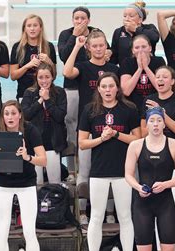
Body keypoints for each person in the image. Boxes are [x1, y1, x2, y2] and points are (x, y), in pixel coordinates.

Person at [78, 72, 140, 251]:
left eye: (111, 86)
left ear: (117, 88)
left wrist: (115, 134)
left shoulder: (128, 109)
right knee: (96, 216)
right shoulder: (89, 110)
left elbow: (137, 139)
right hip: (98, 172)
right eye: (103, 86)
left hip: (124, 172)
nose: (107, 90)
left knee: (125, 216)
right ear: (98, 89)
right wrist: (101, 138)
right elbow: (82, 143)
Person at [63, 30, 119, 225]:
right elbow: (66, 72)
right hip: (88, 126)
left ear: (106, 47)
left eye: (101, 45)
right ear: (88, 48)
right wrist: (77, 46)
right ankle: (82, 213)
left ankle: (110, 212)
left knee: (112, 171)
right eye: (94, 45)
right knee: (84, 172)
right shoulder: (83, 67)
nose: (98, 49)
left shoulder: (113, 68)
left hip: (111, 126)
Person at [0, 100, 46, 251]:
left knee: (29, 231)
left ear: (20, 115)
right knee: (2, 230)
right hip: (3, 184)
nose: (10, 117)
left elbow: (43, 160)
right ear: (2, 116)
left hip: (26, 184)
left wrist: (28, 157)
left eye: (13, 113)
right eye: (6, 113)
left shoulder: (30, 130)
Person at [124, 107, 175, 251]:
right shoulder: (136, 145)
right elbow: (128, 175)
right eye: (152, 121)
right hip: (142, 205)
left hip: (165, 204)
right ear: (146, 124)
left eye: (159, 120)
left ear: (164, 124)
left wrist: (166, 184)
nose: (156, 124)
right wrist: (138, 187)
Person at [141, 66, 175, 251]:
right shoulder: (148, 101)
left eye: (165, 76)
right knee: (156, 213)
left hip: (174, 162)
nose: (160, 79)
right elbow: (143, 131)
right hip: (152, 162)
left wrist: (162, 114)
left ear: (172, 81)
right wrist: (153, 120)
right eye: (158, 76)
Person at [58, 6, 106, 160]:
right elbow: (64, 57)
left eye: (82, 18)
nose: (79, 21)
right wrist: (74, 37)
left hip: (92, 86)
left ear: (88, 20)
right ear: (72, 20)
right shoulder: (66, 34)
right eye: (76, 18)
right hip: (72, 86)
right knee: (72, 125)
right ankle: (72, 168)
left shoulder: (96, 32)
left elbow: (105, 54)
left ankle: (95, 159)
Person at [22, 62, 67, 184]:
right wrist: (40, 100)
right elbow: (26, 115)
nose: (44, 80)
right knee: (37, 181)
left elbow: (60, 116)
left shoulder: (59, 92)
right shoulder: (29, 93)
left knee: (55, 181)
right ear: (36, 78)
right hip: (35, 143)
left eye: (47, 77)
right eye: (41, 77)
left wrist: (47, 100)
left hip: (53, 142)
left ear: (52, 77)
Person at [10, 14, 56, 101]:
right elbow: (13, 76)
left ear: (40, 28)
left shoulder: (49, 46)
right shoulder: (17, 47)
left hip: (45, 94)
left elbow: (54, 75)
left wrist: (49, 62)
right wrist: (27, 66)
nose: (32, 28)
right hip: (23, 94)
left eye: (35, 25)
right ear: (24, 29)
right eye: (29, 26)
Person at [120, 34, 166, 112]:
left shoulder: (159, 61)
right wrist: (140, 69)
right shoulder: (127, 62)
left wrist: (146, 68)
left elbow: (162, 87)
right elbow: (126, 91)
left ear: (150, 48)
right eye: (137, 47)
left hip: (155, 106)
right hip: (133, 107)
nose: (140, 50)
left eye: (144, 47)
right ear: (133, 50)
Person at [110, 1, 160, 66]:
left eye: (131, 16)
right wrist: (109, 53)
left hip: (147, 68)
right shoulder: (118, 32)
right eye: (125, 16)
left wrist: (135, 29)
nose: (127, 19)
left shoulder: (149, 28)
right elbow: (115, 55)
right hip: (126, 71)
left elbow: (154, 38)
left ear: (140, 19)